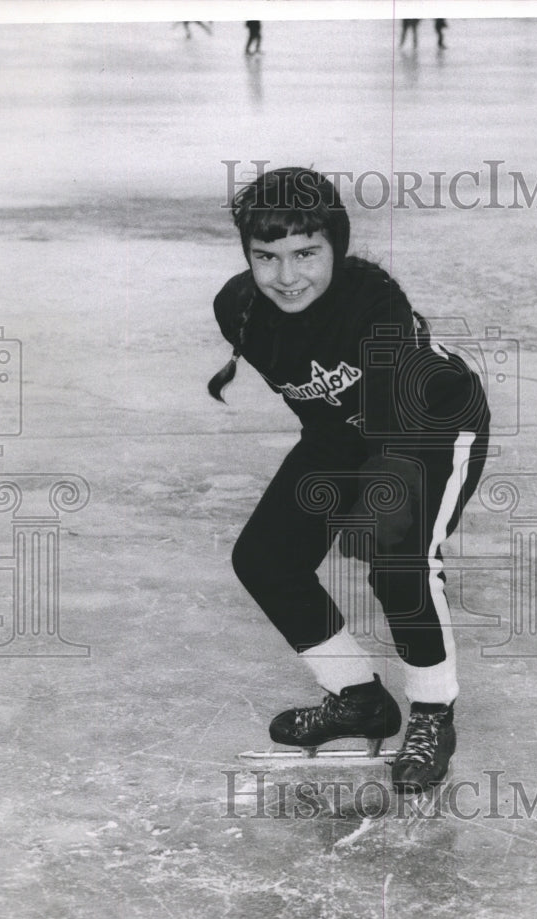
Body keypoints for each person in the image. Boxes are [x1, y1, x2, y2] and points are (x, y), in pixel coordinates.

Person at [209, 168, 490, 794]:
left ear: (337, 246)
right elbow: (320, 408)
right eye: (267, 257)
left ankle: (433, 712)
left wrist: (376, 503)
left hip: (429, 427)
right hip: (342, 433)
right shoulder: (239, 310)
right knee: (265, 558)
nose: (287, 276)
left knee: (399, 560)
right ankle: (357, 699)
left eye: (306, 253)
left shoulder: (372, 300)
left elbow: (396, 432)